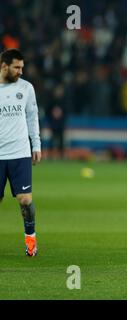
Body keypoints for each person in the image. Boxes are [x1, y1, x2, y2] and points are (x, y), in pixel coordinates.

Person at [0, 48, 41, 257]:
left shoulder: (26, 88)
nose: (20, 71)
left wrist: (36, 145)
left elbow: (32, 117)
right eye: (17, 67)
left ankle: (30, 238)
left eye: (22, 67)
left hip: (20, 152)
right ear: (4, 66)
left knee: (25, 200)